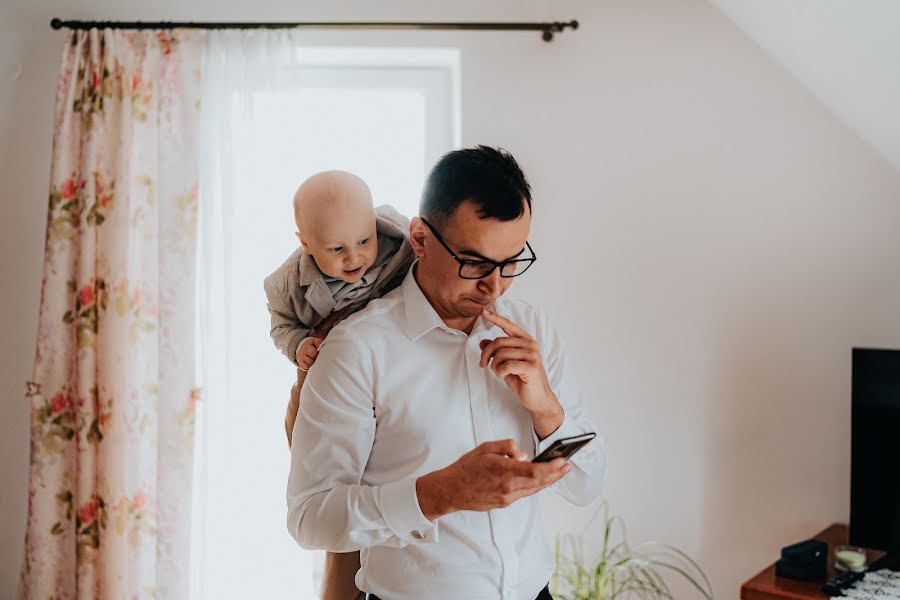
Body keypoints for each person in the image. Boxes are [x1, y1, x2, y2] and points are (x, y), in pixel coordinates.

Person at [287, 146, 608, 600]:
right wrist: (439, 494)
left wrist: (547, 409)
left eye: (512, 261)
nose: (494, 286)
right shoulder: (356, 350)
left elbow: (588, 487)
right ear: (419, 239)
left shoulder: (533, 330)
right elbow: (310, 517)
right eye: (474, 262)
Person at [264, 170, 413, 600]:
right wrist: (299, 345)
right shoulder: (286, 283)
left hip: (381, 380)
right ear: (306, 243)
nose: (355, 257)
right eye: (337, 249)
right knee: (335, 505)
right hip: (321, 383)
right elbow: (281, 327)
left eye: (363, 241)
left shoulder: (400, 236)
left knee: (379, 489)